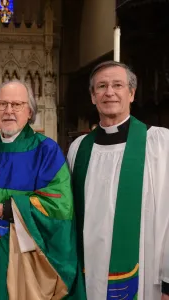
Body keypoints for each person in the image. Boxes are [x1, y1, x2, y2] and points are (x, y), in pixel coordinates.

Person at [0, 80, 85, 300]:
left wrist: (3, 209)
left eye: (17, 104)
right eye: (2, 104)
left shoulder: (46, 150)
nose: (8, 111)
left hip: (22, 256)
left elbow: (58, 204)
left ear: (30, 110)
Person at [67, 61, 169, 300]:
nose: (109, 92)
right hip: (89, 272)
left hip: (145, 271)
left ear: (131, 93)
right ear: (93, 97)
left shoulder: (159, 144)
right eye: (101, 86)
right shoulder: (78, 149)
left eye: (117, 85)